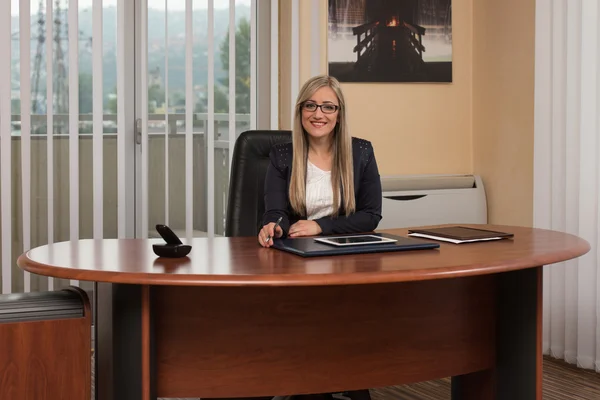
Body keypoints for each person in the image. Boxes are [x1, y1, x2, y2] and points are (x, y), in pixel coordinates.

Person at [258, 74, 382, 247]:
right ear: (301, 111)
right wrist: (274, 226)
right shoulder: (282, 155)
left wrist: (320, 226)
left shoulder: (362, 152)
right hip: (296, 251)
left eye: (328, 107)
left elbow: (370, 216)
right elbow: (276, 212)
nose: (318, 114)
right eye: (310, 105)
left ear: (339, 115)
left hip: (345, 252)